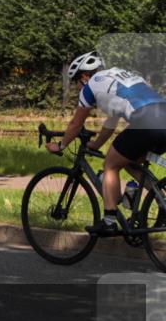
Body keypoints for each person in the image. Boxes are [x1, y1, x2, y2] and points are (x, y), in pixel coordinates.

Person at [46, 51, 166, 235]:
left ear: (84, 77)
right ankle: (163, 203)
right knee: (130, 162)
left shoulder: (90, 87)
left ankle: (109, 222)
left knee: (110, 165)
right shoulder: (118, 75)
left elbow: (76, 124)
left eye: (77, 83)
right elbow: (111, 121)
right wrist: (96, 144)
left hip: (146, 122)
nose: (78, 88)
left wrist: (60, 145)